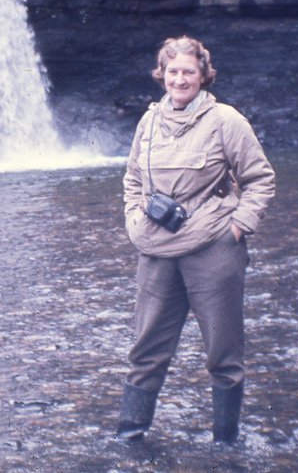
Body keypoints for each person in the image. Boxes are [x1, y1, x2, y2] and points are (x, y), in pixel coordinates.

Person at [115, 35, 276, 444]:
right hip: (155, 251)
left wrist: (237, 229)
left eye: (189, 71)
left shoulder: (226, 120)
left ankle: (225, 443)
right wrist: (134, 218)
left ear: (203, 74)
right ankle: (128, 437)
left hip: (213, 251)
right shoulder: (149, 122)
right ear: (161, 75)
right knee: (145, 350)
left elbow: (260, 180)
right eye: (172, 71)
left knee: (223, 354)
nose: (180, 79)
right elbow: (133, 178)